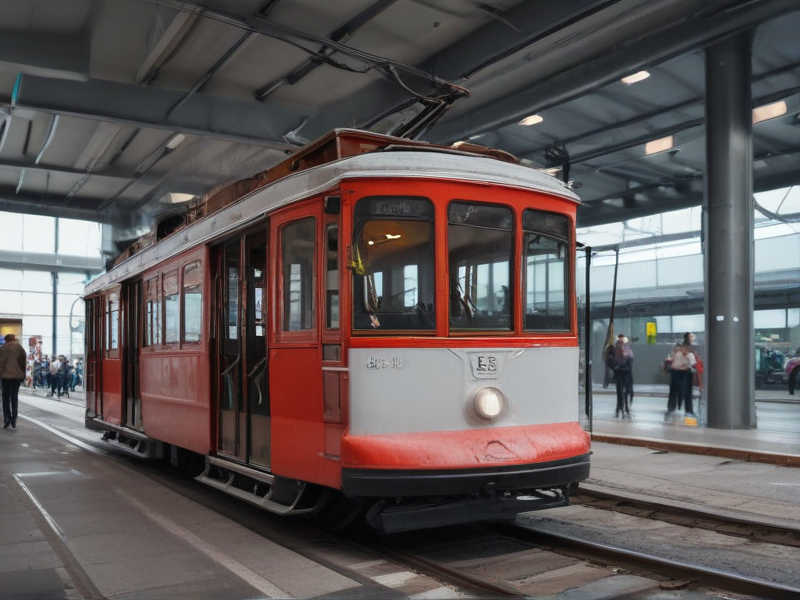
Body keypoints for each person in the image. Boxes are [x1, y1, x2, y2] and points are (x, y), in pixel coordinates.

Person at [0, 333, 27, 429]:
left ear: (6, 339)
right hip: (16, 376)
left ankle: (7, 418)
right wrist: (23, 373)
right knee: (14, 396)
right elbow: (23, 361)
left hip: (5, 376)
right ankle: (14, 419)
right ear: (13, 338)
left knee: (5, 397)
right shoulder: (19, 347)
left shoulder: (2, 347)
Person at [667, 342, 697, 422]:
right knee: (673, 390)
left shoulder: (690, 356)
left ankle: (688, 410)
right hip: (676, 372)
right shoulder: (677, 354)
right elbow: (672, 361)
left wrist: (686, 366)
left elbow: (692, 365)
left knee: (687, 391)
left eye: (686, 349)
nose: (684, 351)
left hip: (686, 373)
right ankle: (671, 407)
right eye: (683, 349)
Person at [606, 334, 634, 418]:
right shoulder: (615, 350)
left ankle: (623, 407)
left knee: (624, 391)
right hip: (621, 372)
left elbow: (631, 359)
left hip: (623, 372)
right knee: (621, 391)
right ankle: (622, 407)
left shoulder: (626, 349)